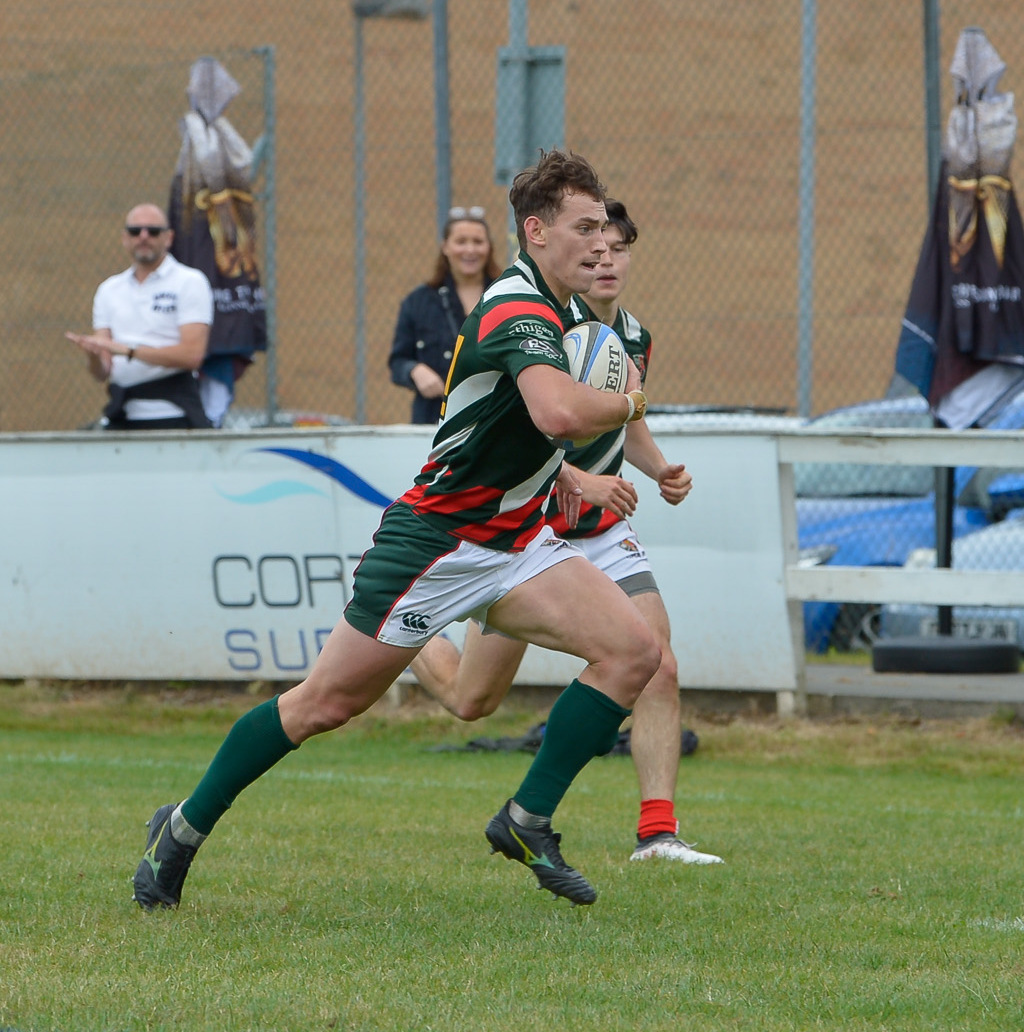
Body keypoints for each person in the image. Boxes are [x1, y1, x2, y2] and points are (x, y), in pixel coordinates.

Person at [132, 150, 661, 911]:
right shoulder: (518, 308)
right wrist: (630, 404)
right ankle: (180, 828)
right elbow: (559, 414)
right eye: (584, 227)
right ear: (537, 231)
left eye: (604, 228)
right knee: (322, 705)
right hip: (437, 544)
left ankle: (526, 818)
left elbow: (519, 431)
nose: (599, 242)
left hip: (517, 541)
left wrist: (571, 473)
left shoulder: (573, 313)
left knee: (634, 650)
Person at [411, 199, 720, 865]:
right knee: (473, 700)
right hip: (528, 529)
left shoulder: (634, 336)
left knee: (657, 661)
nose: (605, 260)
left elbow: (623, 421)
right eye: (595, 247)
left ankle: (658, 833)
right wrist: (576, 476)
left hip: (603, 531)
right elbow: (529, 425)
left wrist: (659, 465)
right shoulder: (547, 322)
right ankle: (408, 633)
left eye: (618, 249)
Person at [66, 204, 214, 430]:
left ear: (168, 238)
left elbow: (192, 355)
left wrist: (129, 350)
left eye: (153, 231)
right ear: (125, 238)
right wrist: (94, 355)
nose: (143, 237)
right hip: (123, 416)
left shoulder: (190, 282)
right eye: (135, 231)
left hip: (175, 415)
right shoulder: (109, 289)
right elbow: (102, 372)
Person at [390, 206, 501, 424]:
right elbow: (398, 361)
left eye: (478, 242)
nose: (470, 250)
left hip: (495, 422)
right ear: (445, 247)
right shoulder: (418, 302)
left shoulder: (508, 296)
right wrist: (414, 370)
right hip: (435, 422)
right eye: (461, 242)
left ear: (488, 248)